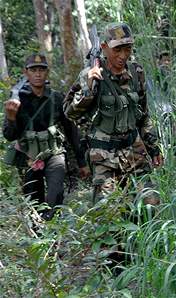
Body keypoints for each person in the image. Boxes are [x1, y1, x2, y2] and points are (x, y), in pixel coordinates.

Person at [64, 22, 162, 202]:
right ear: (104, 47)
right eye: (117, 50)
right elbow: (70, 113)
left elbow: (143, 114)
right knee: (108, 213)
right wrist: (88, 90)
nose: (123, 55)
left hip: (134, 150)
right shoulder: (90, 74)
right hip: (104, 155)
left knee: (150, 204)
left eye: (127, 49)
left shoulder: (136, 71)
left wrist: (153, 147)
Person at [2, 54, 89, 220]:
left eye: (41, 70)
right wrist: (11, 117)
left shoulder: (56, 98)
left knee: (56, 193)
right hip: (29, 157)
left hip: (53, 153)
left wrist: (82, 162)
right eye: (33, 70)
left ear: (47, 72)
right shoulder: (17, 100)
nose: (37, 74)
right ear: (26, 73)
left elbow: (71, 131)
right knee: (34, 200)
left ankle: (53, 230)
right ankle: (39, 233)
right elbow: (9, 135)